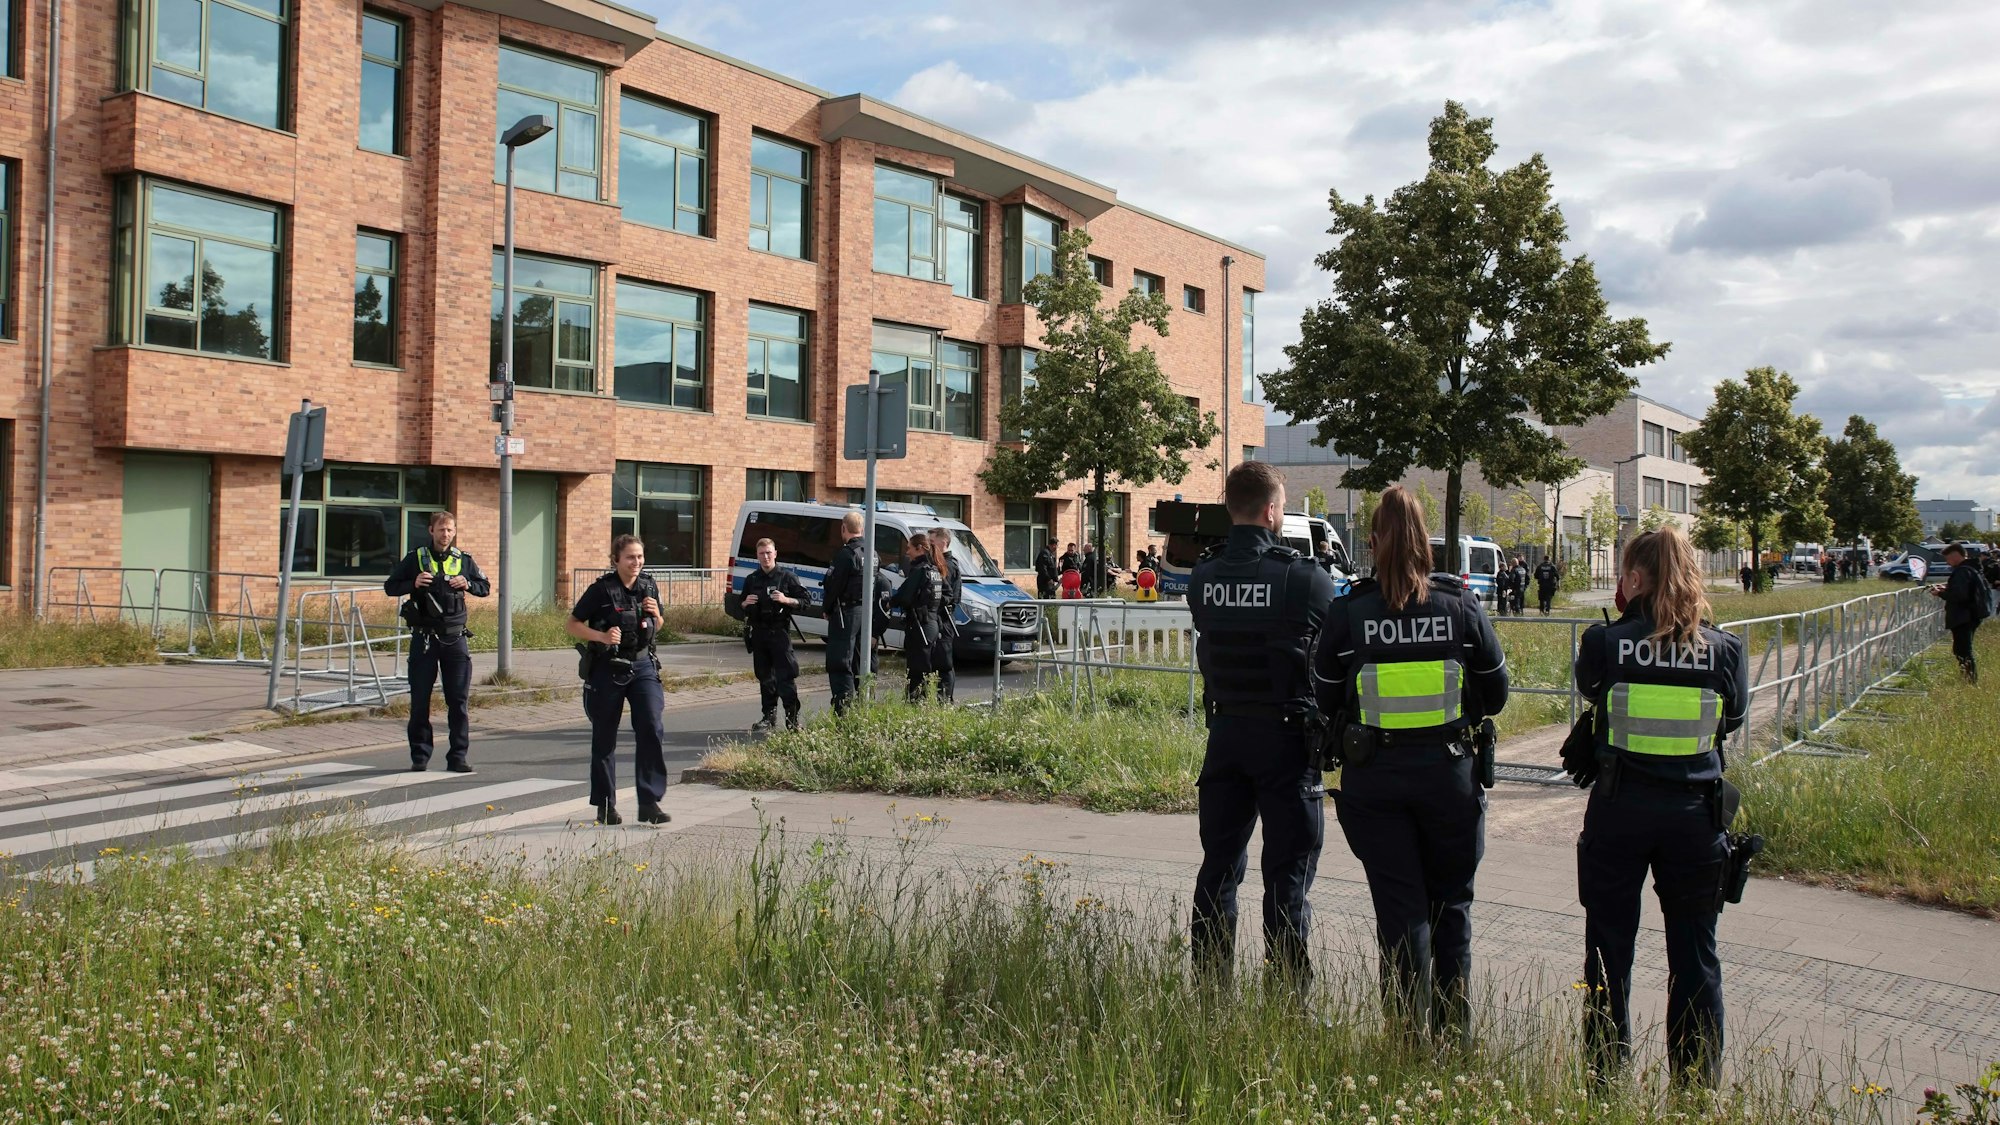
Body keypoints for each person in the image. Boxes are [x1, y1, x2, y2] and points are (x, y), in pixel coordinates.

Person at [1314, 485, 1508, 1045]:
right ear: (1426, 543)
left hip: (1376, 781)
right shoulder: (1460, 607)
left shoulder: (1349, 612)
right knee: (1452, 909)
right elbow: (1495, 694)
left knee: (1401, 915)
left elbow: (1325, 695)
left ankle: (1405, 1043)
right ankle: (1454, 1042)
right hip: (1450, 779)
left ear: (1373, 543)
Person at [1571, 526, 1750, 1088]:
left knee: (1608, 949)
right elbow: (1733, 718)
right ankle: (1695, 1088)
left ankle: (1604, 1081)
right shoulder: (1724, 650)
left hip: (1619, 810)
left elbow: (1590, 689)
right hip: (1695, 818)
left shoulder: (1605, 643)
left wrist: (1627, 619)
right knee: (1696, 956)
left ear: (1635, 577)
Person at [1187, 461, 1338, 991]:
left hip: (1226, 738)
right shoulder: (1305, 578)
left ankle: (1210, 992)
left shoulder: (1203, 577)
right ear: (1273, 511)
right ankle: (1288, 1000)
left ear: (1230, 507)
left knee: (1218, 869)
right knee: (1287, 878)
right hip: (1287, 744)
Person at [566, 535, 669, 826]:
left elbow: (658, 625)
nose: (637, 562)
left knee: (651, 727)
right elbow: (572, 624)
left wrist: (656, 615)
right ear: (616, 560)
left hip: (643, 665)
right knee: (604, 738)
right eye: (630, 557)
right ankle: (606, 805)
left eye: (640, 557)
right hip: (607, 667)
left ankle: (649, 802)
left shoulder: (649, 585)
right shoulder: (600, 590)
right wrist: (601, 636)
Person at [383, 511, 490, 773]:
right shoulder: (416, 558)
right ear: (431, 530)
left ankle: (458, 757)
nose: (446, 534)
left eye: (450, 530)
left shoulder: (463, 559)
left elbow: (485, 587)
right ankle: (420, 756)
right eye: (441, 529)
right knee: (420, 701)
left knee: (458, 702)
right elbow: (390, 586)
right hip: (425, 640)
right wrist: (413, 582)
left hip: (455, 639)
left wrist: (468, 583)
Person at [742, 537, 808, 732]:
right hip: (759, 633)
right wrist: (745, 604)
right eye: (762, 553)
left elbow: (805, 601)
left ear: (775, 554)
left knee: (785, 678)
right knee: (765, 678)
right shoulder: (752, 579)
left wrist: (787, 600)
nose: (765, 557)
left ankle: (792, 720)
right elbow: (740, 605)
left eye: (768, 553)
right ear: (757, 556)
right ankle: (768, 717)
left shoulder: (787, 577)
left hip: (779, 633)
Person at [888, 535, 950, 701]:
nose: (907, 552)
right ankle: (922, 702)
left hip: (919, 625)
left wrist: (890, 602)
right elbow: (946, 595)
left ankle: (916, 703)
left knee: (917, 670)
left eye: (909, 548)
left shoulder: (920, 570)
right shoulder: (935, 570)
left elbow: (905, 596)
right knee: (925, 668)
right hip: (931, 623)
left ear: (920, 548)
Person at [822, 512, 869, 715]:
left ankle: (843, 710)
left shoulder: (846, 554)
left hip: (845, 613)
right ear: (862, 529)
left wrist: (826, 608)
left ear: (843, 528)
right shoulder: (872, 552)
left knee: (839, 661)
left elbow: (834, 585)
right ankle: (862, 706)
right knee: (858, 660)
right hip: (864, 612)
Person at [1931, 543, 1989, 684]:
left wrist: (1940, 593)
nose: (1947, 562)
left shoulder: (1962, 571)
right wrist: (1947, 589)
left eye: (1948, 559)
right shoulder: (1972, 569)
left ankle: (1970, 681)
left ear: (1955, 556)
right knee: (1962, 649)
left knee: (1963, 651)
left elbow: (1960, 596)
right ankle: (1968, 679)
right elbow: (1965, 590)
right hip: (1971, 615)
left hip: (1963, 616)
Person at [927, 528, 961, 703]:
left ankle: (945, 700)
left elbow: (946, 596)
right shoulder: (941, 563)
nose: (929, 546)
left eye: (932, 542)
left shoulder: (948, 566)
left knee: (944, 663)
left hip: (944, 619)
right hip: (939, 618)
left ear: (944, 542)